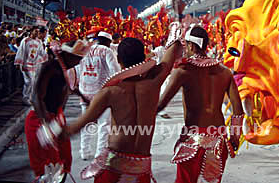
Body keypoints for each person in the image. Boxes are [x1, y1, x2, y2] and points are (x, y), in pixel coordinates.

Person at [37, 34, 183, 183]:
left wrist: (49, 131)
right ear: (143, 57)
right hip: (142, 167)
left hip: (114, 167)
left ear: (119, 60)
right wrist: (178, 30)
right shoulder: (154, 83)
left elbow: (77, 126)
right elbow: (170, 54)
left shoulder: (109, 92)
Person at [157, 26, 244, 183]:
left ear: (190, 46)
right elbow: (238, 109)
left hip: (193, 140)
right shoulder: (225, 72)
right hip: (219, 138)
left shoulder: (183, 70)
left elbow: (161, 104)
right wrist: (235, 137)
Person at [26, 40, 85, 180]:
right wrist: (47, 125)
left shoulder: (63, 68)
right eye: (77, 58)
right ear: (66, 54)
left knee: (64, 159)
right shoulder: (48, 67)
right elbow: (36, 98)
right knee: (49, 167)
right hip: (41, 119)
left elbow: (67, 87)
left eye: (80, 58)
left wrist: (86, 97)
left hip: (56, 118)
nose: (78, 61)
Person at [74, 31, 120, 160]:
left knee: (86, 123)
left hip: (85, 92)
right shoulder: (106, 51)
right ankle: (100, 154)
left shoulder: (85, 50)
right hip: (101, 93)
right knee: (104, 125)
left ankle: (84, 151)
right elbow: (115, 72)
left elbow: (77, 70)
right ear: (108, 42)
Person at [14, 27, 48, 104]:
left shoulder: (38, 41)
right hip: (26, 64)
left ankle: (30, 97)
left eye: (38, 32)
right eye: (35, 31)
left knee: (33, 82)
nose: (37, 33)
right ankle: (25, 97)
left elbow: (41, 52)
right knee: (29, 81)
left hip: (34, 65)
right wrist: (19, 63)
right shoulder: (25, 41)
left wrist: (46, 59)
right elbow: (20, 52)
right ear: (31, 32)